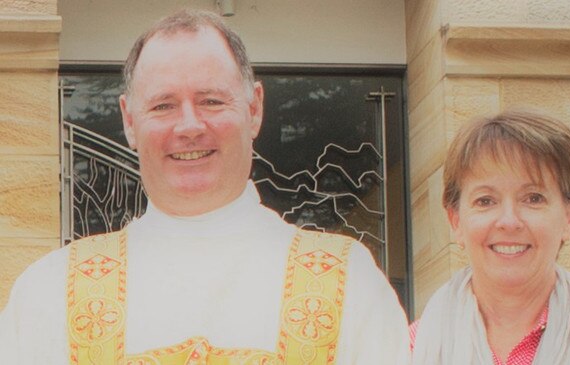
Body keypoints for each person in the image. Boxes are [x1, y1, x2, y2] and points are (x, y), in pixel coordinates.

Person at [0, 9, 410, 364]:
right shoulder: (50, 292)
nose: (190, 126)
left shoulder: (347, 281)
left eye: (212, 101)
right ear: (128, 120)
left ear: (254, 108)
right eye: (163, 105)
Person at [411, 110, 570, 364]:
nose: (508, 221)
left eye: (533, 198)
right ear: (455, 220)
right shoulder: (402, 351)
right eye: (485, 200)